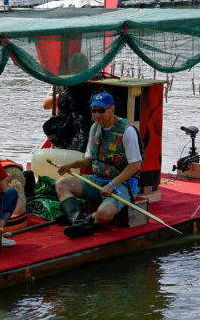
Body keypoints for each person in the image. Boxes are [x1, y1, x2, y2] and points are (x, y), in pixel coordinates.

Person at [54, 92, 142, 238]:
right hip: (98, 179)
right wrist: (71, 164)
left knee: (103, 215)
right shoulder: (95, 128)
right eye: (94, 110)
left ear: (112, 109)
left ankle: (85, 221)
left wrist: (112, 185)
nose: (96, 114)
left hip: (122, 183)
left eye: (101, 110)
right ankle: (79, 222)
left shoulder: (127, 131)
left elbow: (135, 165)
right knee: (62, 184)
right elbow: (89, 159)